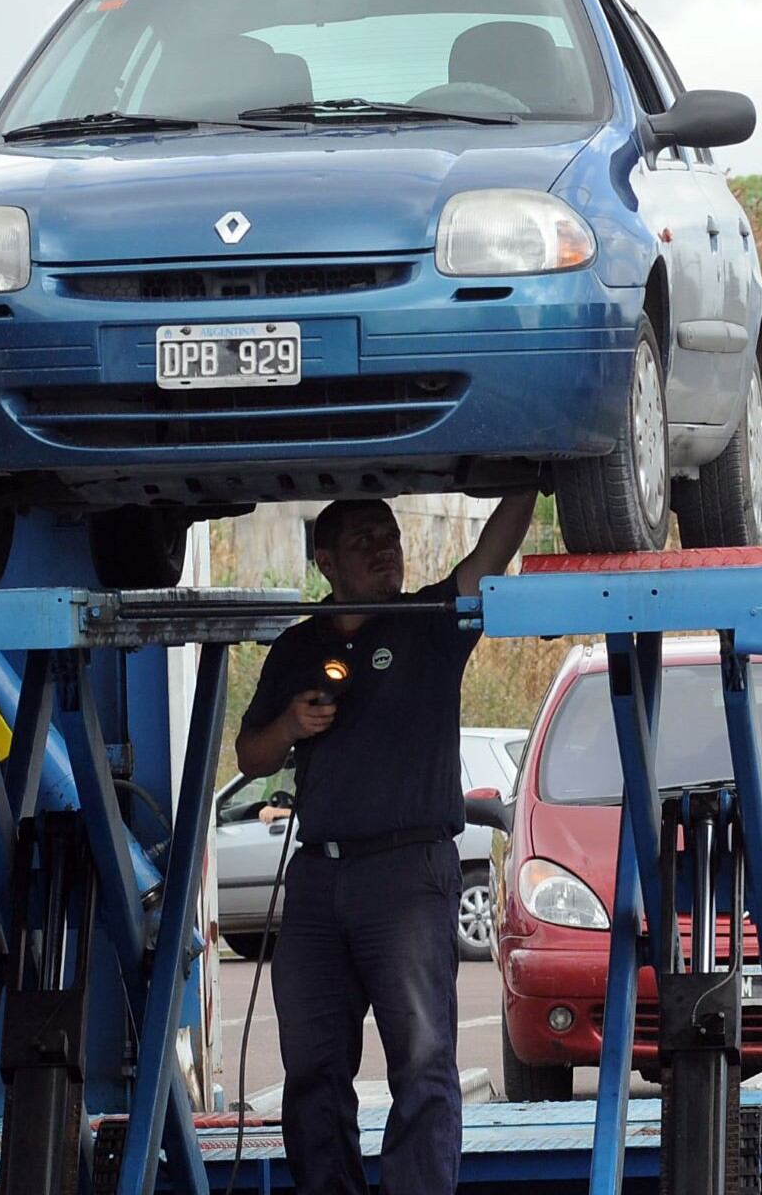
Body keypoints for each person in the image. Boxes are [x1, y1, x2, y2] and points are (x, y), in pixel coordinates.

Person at [235, 491, 536, 1194]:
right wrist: (290, 726)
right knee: (310, 1066)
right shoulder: (299, 646)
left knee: (422, 1060)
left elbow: (489, 557)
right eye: (365, 540)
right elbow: (251, 753)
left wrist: (529, 480)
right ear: (327, 561)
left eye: (391, 538)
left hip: (408, 873)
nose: (384, 550)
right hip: (318, 881)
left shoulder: (432, 621)